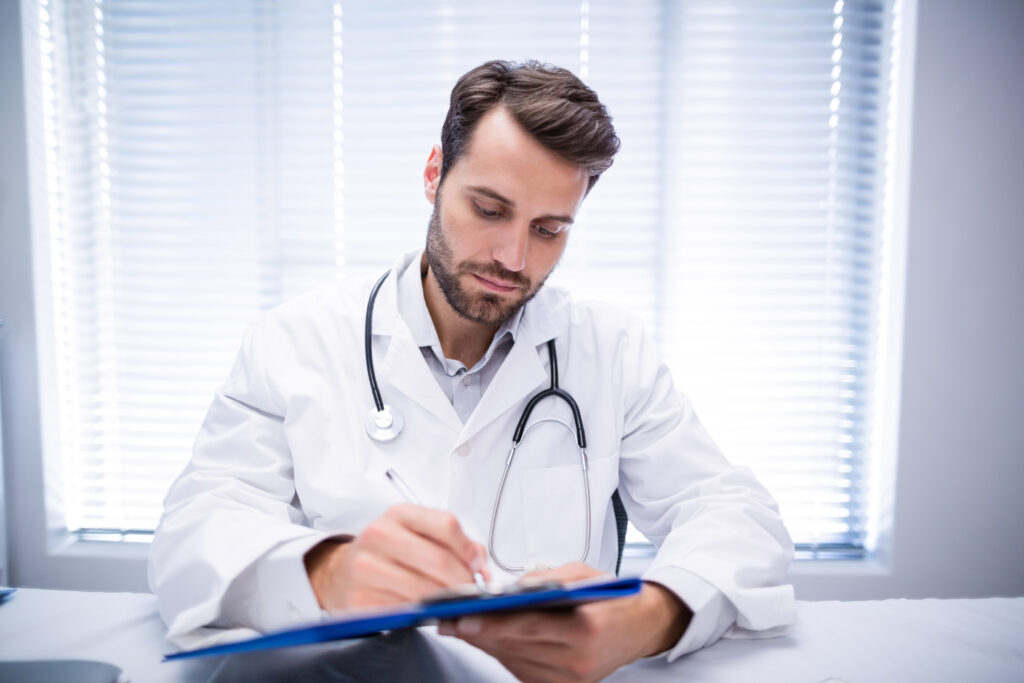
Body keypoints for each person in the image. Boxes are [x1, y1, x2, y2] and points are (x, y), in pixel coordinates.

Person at [149, 60, 796, 681]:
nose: (513, 257)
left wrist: (651, 615)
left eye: (549, 229)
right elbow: (197, 526)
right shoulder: (293, 341)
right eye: (489, 210)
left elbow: (735, 513)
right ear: (434, 174)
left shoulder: (611, 350)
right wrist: (326, 573)